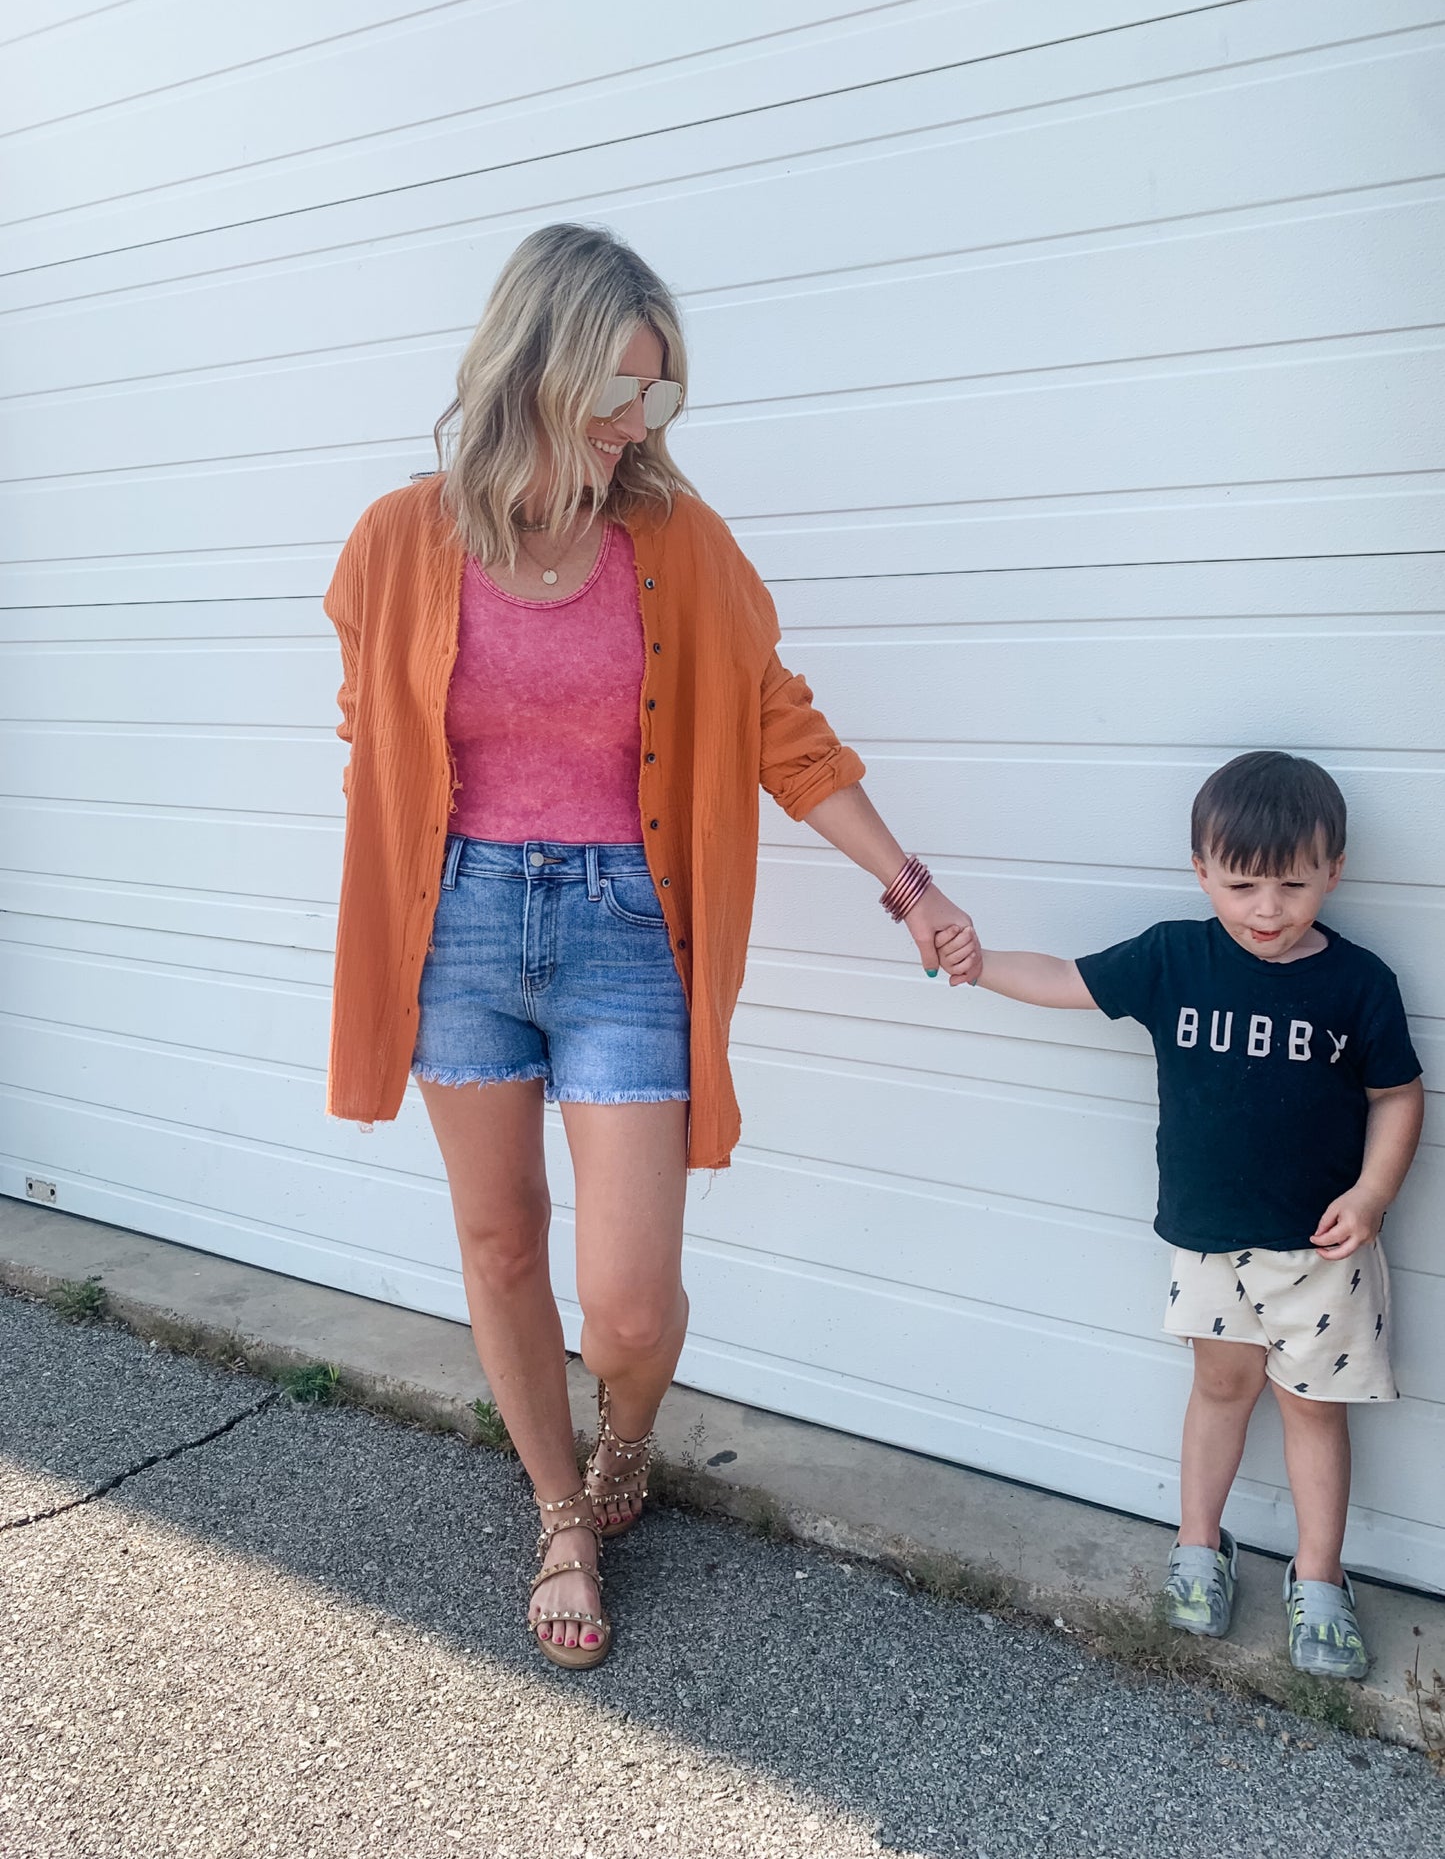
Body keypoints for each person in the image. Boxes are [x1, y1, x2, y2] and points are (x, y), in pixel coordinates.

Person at [323, 222, 982, 1670]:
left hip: (627, 926)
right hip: (462, 927)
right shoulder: (397, 539)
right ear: (532, 368)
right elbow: (370, 720)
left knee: (628, 1299)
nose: (639, 425)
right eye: (618, 390)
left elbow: (775, 721)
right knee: (500, 1240)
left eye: (663, 398)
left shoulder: (677, 544)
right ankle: (561, 1509)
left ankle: (624, 1434)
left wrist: (909, 883)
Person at [937, 751, 1423, 1678]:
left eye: (1292, 883)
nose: (1266, 909)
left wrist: (1371, 1194)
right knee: (1219, 1390)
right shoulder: (1174, 956)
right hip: (1206, 1243)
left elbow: (1398, 1095)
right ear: (1201, 871)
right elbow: (1065, 979)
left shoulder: (1358, 983)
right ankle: (1198, 1546)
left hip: (1322, 1253)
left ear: (1334, 870)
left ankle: (1318, 1577)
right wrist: (980, 962)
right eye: (1241, 884)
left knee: (1313, 1412)